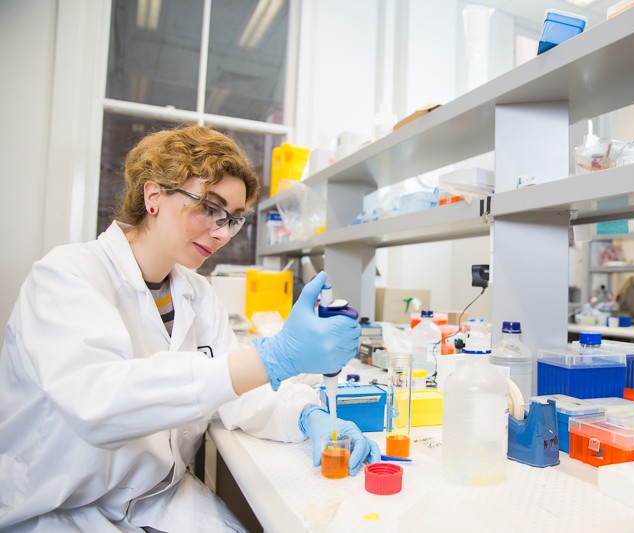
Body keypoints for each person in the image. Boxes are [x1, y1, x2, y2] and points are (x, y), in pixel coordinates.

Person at [0, 124, 379, 532]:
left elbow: (237, 393)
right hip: (58, 509)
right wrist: (273, 358)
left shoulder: (196, 295)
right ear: (154, 195)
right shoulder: (67, 276)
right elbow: (99, 404)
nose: (221, 233)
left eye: (232, 219)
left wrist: (307, 415)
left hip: (158, 500)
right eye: (210, 208)